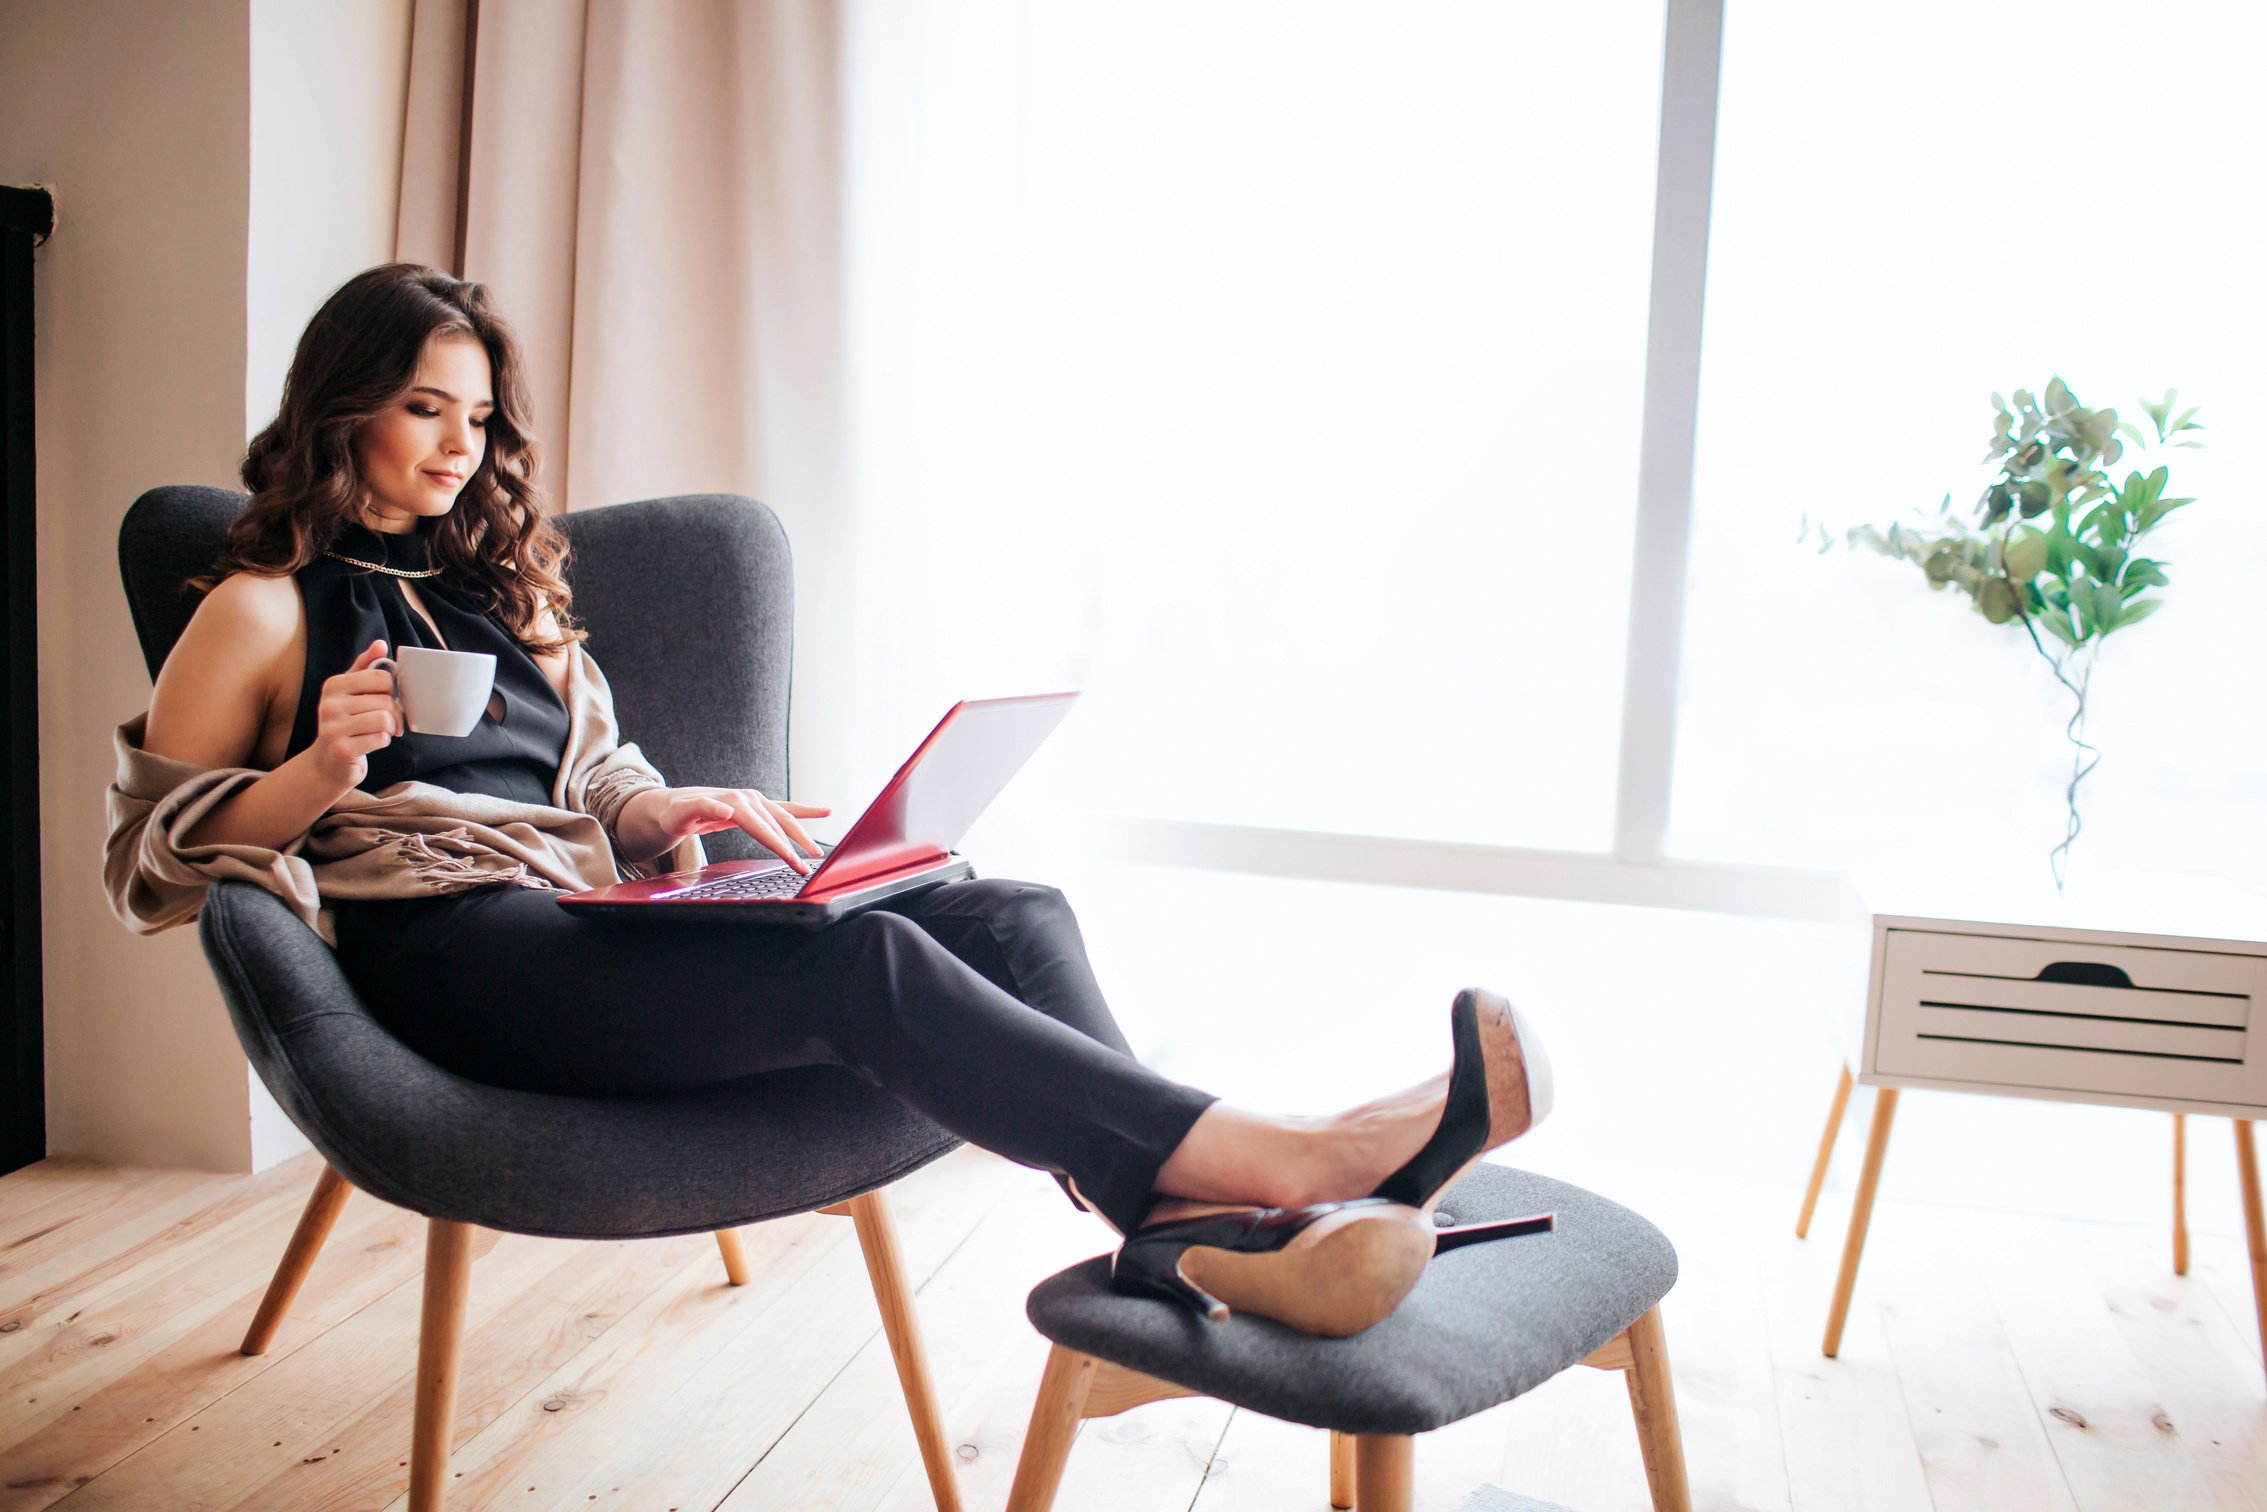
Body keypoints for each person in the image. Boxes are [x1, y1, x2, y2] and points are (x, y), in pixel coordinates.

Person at [105, 263, 1553, 1338]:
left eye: (479, 418)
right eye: (425, 408)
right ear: (343, 402)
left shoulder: (508, 588)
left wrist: (664, 813)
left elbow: (591, 775)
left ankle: (1180, 1230)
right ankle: (1284, 1165)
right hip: (451, 964)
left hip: (581, 919)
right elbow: (148, 868)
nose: (458, 446)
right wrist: (314, 775)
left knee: (1003, 905)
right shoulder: (261, 612)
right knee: (857, 959)